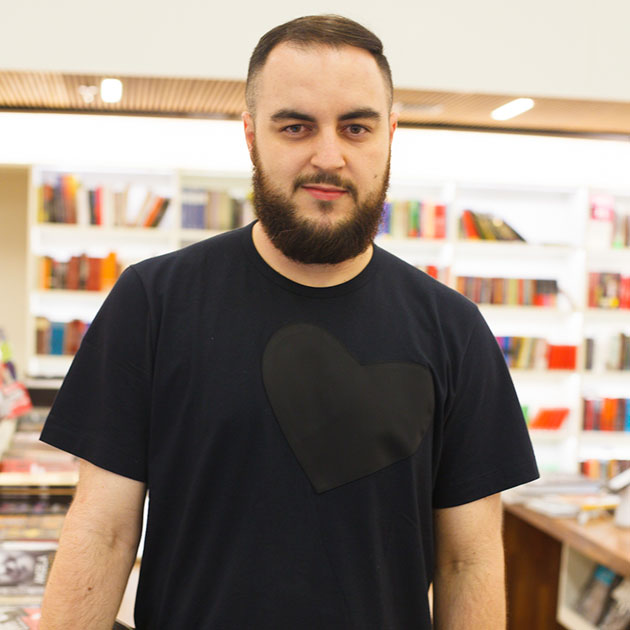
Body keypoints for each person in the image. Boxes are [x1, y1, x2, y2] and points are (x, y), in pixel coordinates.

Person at [39, 14, 539, 630]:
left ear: (390, 136)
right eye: (296, 127)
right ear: (251, 136)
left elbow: (469, 561)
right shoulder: (152, 302)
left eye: (356, 128)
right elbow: (103, 532)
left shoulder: (455, 331)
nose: (328, 157)